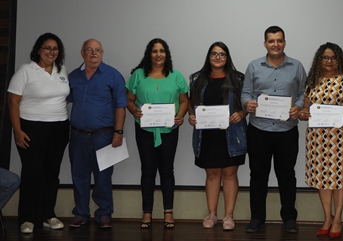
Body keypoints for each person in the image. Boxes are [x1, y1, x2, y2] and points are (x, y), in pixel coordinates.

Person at [241, 26, 306, 234]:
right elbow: (246, 93)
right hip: (259, 129)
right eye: (271, 41)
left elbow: (304, 93)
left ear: (284, 42)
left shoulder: (296, 66)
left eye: (279, 40)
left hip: (287, 130)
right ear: (265, 44)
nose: (275, 44)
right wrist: (247, 104)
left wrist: (299, 106)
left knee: (286, 175)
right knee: (258, 174)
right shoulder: (253, 66)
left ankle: (289, 218)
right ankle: (257, 217)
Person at [7, 33, 70, 234]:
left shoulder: (62, 70)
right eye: (47, 48)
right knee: (33, 173)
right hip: (32, 128)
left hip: (59, 128)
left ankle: (47, 215)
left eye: (55, 48)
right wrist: (17, 130)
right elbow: (13, 101)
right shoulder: (26, 70)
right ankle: (27, 218)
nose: (51, 52)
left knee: (51, 174)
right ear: (38, 50)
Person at [298, 42, 343, 238]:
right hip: (318, 139)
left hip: (342, 138)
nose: (329, 61)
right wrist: (302, 114)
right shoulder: (312, 82)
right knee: (322, 179)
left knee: (339, 179)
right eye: (325, 57)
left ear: (339, 59)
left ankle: (338, 218)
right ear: (319, 60)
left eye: (333, 57)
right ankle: (327, 217)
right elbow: (306, 109)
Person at [126, 38, 189, 229]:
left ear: (167, 54)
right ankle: (147, 213)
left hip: (169, 130)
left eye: (162, 51)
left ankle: (168, 213)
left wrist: (179, 116)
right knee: (147, 170)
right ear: (149, 54)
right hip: (144, 129)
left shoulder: (176, 76)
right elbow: (129, 100)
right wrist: (133, 110)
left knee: (167, 170)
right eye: (155, 51)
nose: (159, 54)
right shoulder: (138, 75)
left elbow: (185, 101)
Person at [67, 39, 127, 229]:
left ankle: (104, 213)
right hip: (78, 135)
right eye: (89, 50)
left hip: (105, 135)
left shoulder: (113, 75)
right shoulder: (73, 77)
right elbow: (63, 101)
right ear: (82, 52)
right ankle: (81, 213)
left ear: (102, 53)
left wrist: (118, 132)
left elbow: (121, 106)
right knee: (79, 176)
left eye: (98, 50)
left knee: (103, 177)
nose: (94, 54)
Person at [188, 42, 248, 231]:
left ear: (227, 57)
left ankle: (229, 215)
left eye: (222, 54)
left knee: (230, 174)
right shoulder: (197, 79)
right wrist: (191, 116)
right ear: (208, 56)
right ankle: (212, 213)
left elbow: (245, 104)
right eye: (214, 54)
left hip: (232, 133)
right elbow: (192, 104)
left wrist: (241, 114)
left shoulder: (238, 79)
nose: (218, 57)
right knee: (212, 174)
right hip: (207, 134)